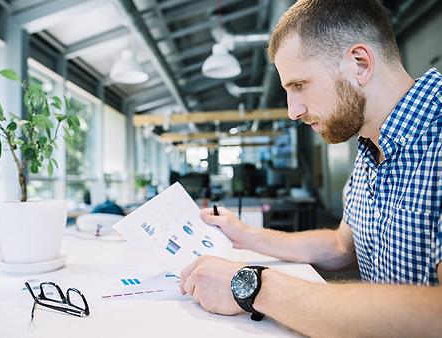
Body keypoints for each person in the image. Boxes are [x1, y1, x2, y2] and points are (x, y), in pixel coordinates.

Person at [179, 0, 442, 336]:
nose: (293, 110)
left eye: (299, 85)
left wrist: (254, 286)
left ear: (359, 64)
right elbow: (342, 246)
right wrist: (245, 235)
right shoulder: (370, 146)